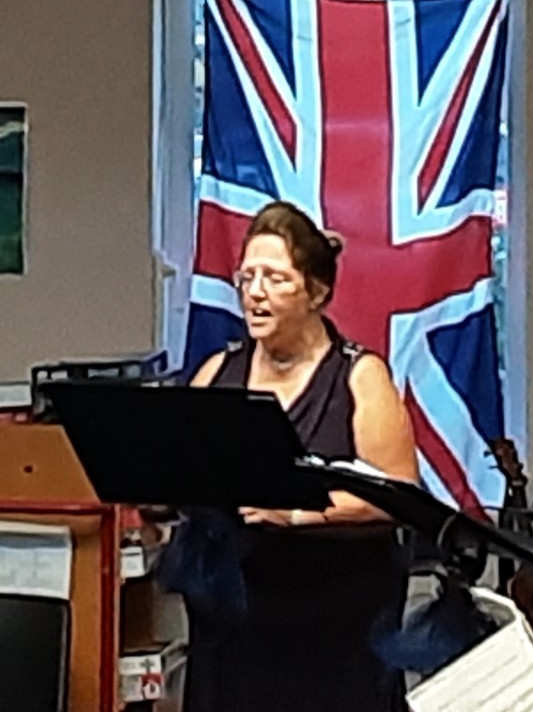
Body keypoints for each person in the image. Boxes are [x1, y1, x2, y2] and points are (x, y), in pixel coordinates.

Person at [175, 201, 420, 712]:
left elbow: (399, 498)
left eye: (275, 278)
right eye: (247, 277)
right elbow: (184, 474)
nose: (255, 292)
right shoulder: (217, 371)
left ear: (317, 292)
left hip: (333, 633)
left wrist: (295, 514)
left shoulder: (359, 377)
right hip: (233, 632)